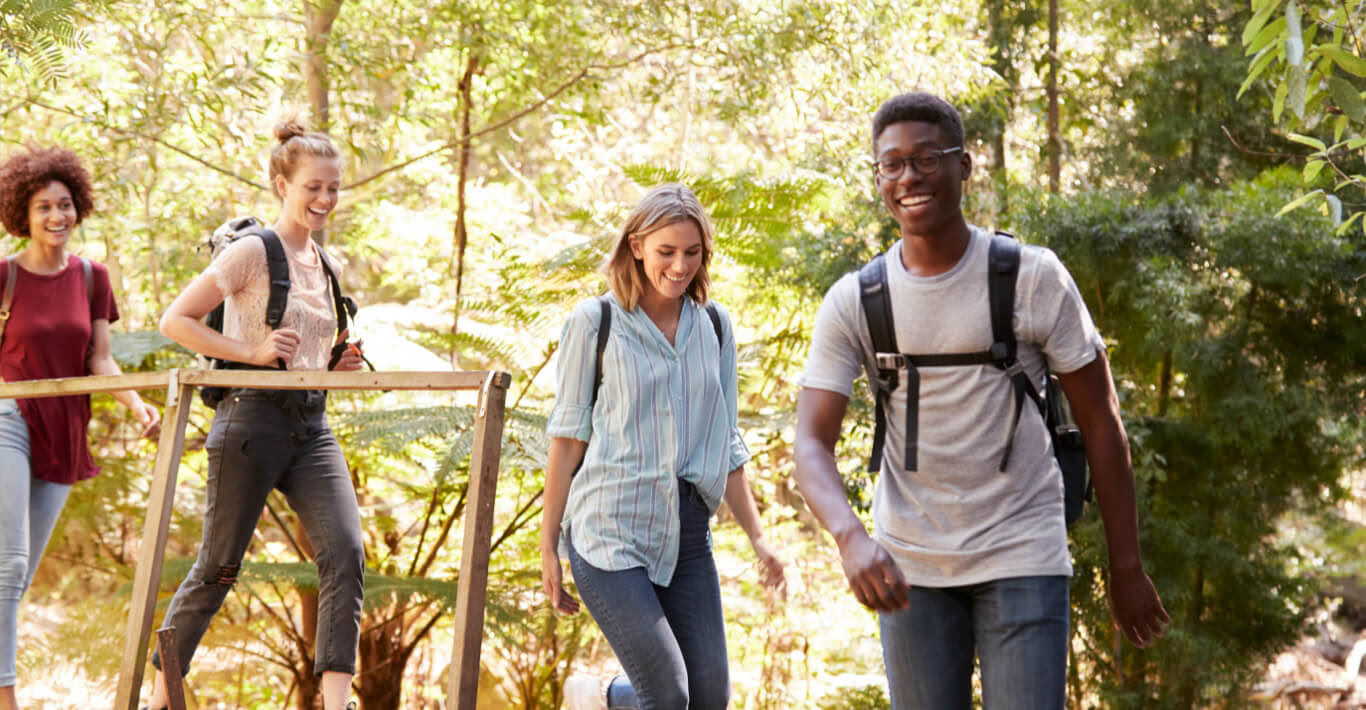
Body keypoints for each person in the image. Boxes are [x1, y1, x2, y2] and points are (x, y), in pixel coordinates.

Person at [792, 91, 1170, 709]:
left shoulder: (1032, 277)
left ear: (963, 166)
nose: (908, 177)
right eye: (892, 164)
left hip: (1023, 547)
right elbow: (810, 442)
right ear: (879, 177)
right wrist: (849, 537)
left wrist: (1126, 567)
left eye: (926, 159)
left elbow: (1101, 422)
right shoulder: (855, 300)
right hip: (909, 564)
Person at [147, 116, 367, 710]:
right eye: (312, 187)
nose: (323, 199)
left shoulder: (326, 264)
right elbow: (176, 321)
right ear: (281, 185)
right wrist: (249, 352)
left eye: (332, 188)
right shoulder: (252, 250)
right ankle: (161, 695)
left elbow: (307, 358)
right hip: (249, 421)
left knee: (346, 549)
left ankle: (336, 700)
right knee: (219, 567)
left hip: (311, 426)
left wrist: (335, 369)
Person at [540, 183, 785, 710]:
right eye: (666, 252)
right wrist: (548, 548)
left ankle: (603, 698)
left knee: (709, 701)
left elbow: (726, 442)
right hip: (609, 532)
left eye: (692, 253)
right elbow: (567, 439)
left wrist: (760, 538)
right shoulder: (595, 322)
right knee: (670, 698)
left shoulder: (715, 326)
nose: (680, 266)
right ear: (636, 246)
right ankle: (602, 695)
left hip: (687, 534)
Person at [0, 145, 159, 710]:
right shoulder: (4, 277)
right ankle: (7, 696)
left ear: (78, 206)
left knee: (18, 577)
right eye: (43, 207)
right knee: (9, 562)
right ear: (24, 212)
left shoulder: (93, 277)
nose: (56, 217)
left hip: (67, 427)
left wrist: (137, 406)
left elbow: (101, 360)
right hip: (8, 418)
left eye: (64, 205)